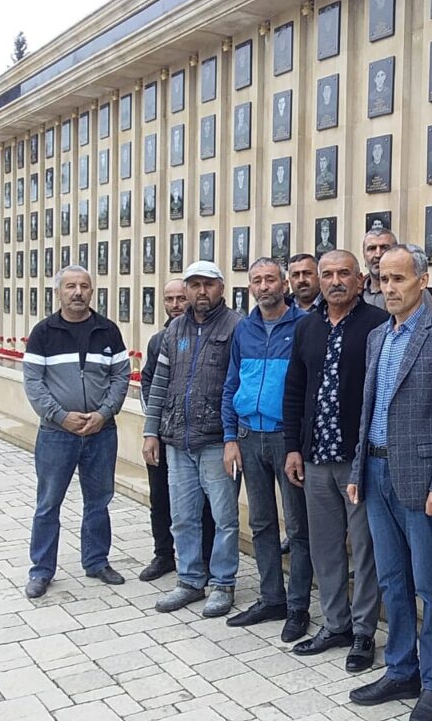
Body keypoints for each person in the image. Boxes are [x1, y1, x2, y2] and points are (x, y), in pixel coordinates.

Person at [347, 245, 432, 721]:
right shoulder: (378, 336)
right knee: (391, 580)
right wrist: (358, 470)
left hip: (422, 483)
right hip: (376, 474)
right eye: (383, 279)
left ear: (423, 280)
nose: (390, 288)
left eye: (399, 279)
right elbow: (369, 410)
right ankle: (402, 669)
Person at [283, 250, 387, 672]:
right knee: (325, 546)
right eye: (327, 274)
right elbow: (294, 390)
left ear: (360, 280)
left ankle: (363, 631)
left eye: (344, 273)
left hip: (357, 460)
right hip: (315, 458)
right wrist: (293, 447)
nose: (335, 280)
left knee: (364, 549)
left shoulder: (378, 325)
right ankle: (335, 623)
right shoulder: (306, 327)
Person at [22, 265, 130, 599]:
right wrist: (60, 416)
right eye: (70, 286)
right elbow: (33, 382)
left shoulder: (107, 330)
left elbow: (121, 376)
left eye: (84, 286)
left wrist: (103, 413)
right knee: (48, 503)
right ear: (59, 292)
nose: (78, 292)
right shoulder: (44, 332)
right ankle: (41, 570)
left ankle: (96, 561)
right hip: (57, 434)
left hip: (101, 432)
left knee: (98, 501)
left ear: (92, 291)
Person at [142, 262, 243, 617]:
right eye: (195, 284)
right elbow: (160, 383)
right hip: (177, 441)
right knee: (183, 516)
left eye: (208, 284)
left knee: (224, 518)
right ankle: (189, 580)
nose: (202, 291)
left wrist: (232, 438)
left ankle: (223, 583)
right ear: (185, 290)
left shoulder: (236, 327)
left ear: (221, 288)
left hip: (216, 440)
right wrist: (151, 431)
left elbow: (239, 384)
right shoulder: (174, 330)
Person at [223, 258, 313, 642]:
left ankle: (298, 607)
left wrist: (298, 442)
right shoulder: (243, 330)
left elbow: (308, 388)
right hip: (248, 436)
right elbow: (231, 383)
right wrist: (230, 437)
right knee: (260, 523)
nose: (264, 286)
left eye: (271, 279)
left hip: (284, 438)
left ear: (284, 284)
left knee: (298, 527)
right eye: (257, 280)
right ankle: (272, 597)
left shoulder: (304, 326)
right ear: (250, 287)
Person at [137, 279, 217, 584]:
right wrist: (154, 426)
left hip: (195, 436)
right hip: (162, 434)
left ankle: (205, 559)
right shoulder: (159, 340)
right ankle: (163, 554)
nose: (175, 305)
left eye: (180, 298)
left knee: (202, 503)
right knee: (160, 498)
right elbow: (148, 382)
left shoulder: (207, 335)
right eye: (168, 299)